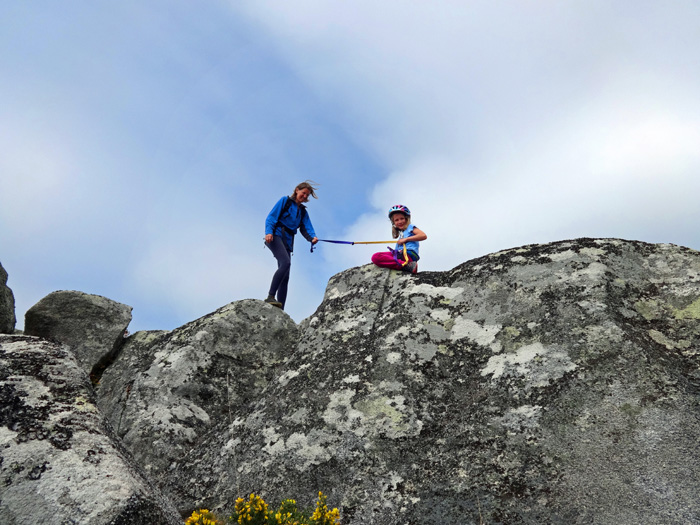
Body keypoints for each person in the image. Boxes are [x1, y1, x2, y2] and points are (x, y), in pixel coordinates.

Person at [264, 181, 319, 309]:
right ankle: (270, 296)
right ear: (297, 190)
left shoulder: (303, 212)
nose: (305, 196)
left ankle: (280, 308)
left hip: (287, 241)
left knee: (286, 276)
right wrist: (268, 232)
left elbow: (306, 228)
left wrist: (312, 238)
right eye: (303, 193)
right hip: (275, 235)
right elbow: (271, 217)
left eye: (307, 195)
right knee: (286, 263)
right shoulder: (285, 201)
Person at [371, 204, 427, 273]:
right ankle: (405, 265)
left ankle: (406, 265)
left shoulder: (410, 227)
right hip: (400, 254)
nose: (400, 222)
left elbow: (423, 235)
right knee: (377, 257)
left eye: (402, 219)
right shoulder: (402, 234)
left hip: (407, 254)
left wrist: (406, 239)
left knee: (376, 257)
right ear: (393, 222)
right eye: (396, 220)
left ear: (406, 219)